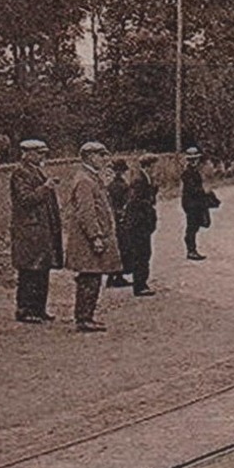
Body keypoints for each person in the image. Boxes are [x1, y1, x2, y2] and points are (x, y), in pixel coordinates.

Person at [66, 141, 123, 331]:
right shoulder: (84, 180)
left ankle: (86, 316)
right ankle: (84, 318)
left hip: (89, 238)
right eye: (101, 155)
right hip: (87, 240)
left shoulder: (91, 177)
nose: (104, 159)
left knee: (93, 276)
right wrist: (95, 236)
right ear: (90, 156)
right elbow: (86, 212)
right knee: (89, 277)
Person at [8, 139, 62, 323]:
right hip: (28, 230)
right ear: (27, 153)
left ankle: (39, 309)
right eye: (39, 153)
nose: (42, 156)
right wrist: (45, 188)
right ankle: (25, 310)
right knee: (29, 270)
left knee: (41, 269)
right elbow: (25, 199)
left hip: (40, 229)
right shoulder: (20, 172)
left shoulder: (36, 171)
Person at [122, 154, 160, 295]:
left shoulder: (146, 179)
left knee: (145, 253)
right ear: (148, 166)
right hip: (138, 225)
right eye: (154, 166)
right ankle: (140, 286)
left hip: (143, 224)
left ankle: (142, 283)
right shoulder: (139, 180)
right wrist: (148, 205)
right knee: (141, 254)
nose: (156, 169)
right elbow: (135, 202)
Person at [180, 146, 213, 260]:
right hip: (190, 204)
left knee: (202, 223)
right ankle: (191, 250)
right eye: (191, 159)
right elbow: (192, 189)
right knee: (192, 226)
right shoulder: (187, 173)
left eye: (195, 159)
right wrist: (204, 191)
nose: (193, 161)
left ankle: (191, 248)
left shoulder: (195, 171)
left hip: (196, 203)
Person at [105, 157, 132, 289]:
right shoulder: (123, 186)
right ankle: (117, 276)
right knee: (123, 247)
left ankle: (113, 276)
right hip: (121, 219)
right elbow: (126, 204)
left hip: (113, 218)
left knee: (117, 247)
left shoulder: (110, 186)